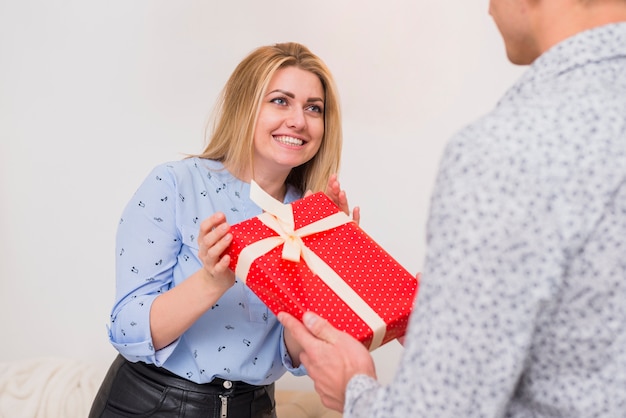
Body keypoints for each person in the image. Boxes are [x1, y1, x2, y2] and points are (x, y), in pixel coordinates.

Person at [278, 0, 626, 416]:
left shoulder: (507, 149)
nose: (489, 8)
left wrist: (355, 393)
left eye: (313, 107)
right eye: (280, 101)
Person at [89, 42, 359, 418]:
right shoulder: (175, 184)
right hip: (151, 405)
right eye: (281, 101)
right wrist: (213, 280)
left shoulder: (310, 214)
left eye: (314, 108)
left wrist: (325, 267)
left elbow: (294, 353)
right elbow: (128, 327)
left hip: (255, 408)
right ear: (244, 106)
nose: (299, 120)